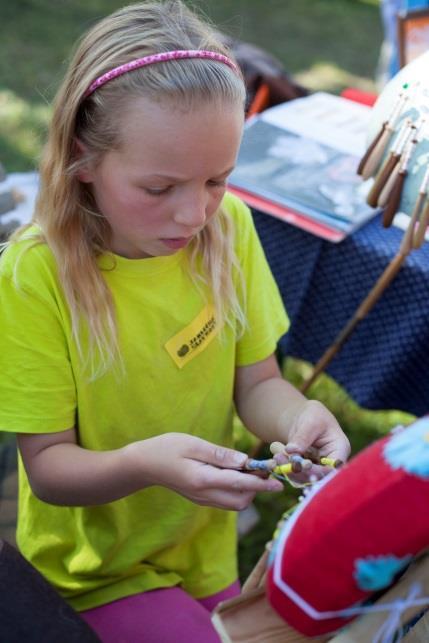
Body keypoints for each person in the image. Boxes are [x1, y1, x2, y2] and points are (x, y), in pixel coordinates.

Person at [0, 1, 350, 641]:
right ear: (84, 156)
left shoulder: (230, 228)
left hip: (200, 550)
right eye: (159, 189)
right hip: (99, 569)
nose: (194, 213)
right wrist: (149, 463)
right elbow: (49, 468)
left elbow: (257, 385)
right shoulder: (35, 275)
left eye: (218, 178)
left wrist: (298, 419)